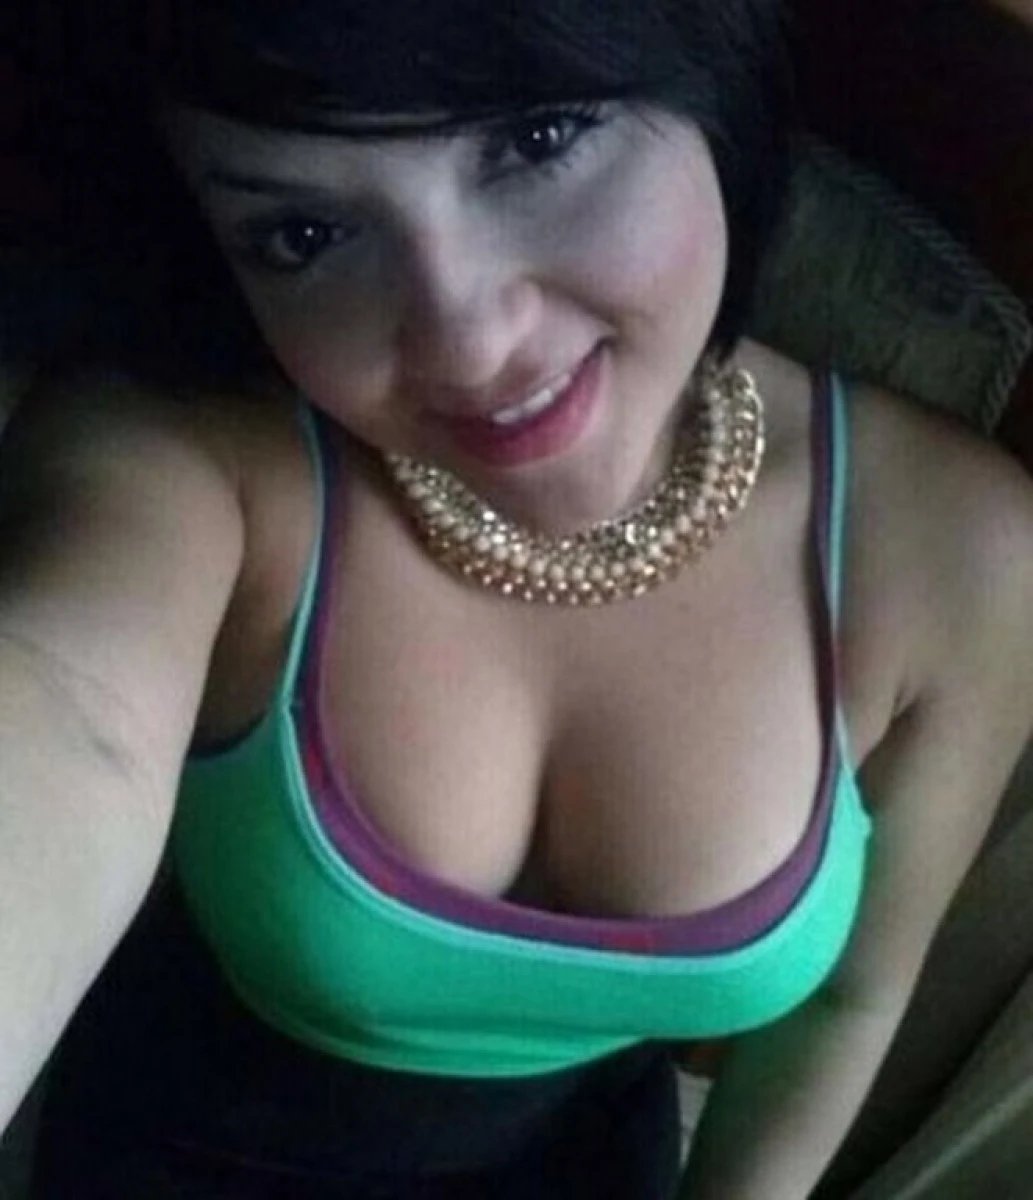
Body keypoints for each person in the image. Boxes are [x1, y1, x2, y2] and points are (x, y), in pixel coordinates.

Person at [2, 1, 1032, 1196]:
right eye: (302, 233)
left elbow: (849, 998)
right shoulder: (189, 455)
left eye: (537, 139)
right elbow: (67, 704)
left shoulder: (955, 551)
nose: (469, 342)